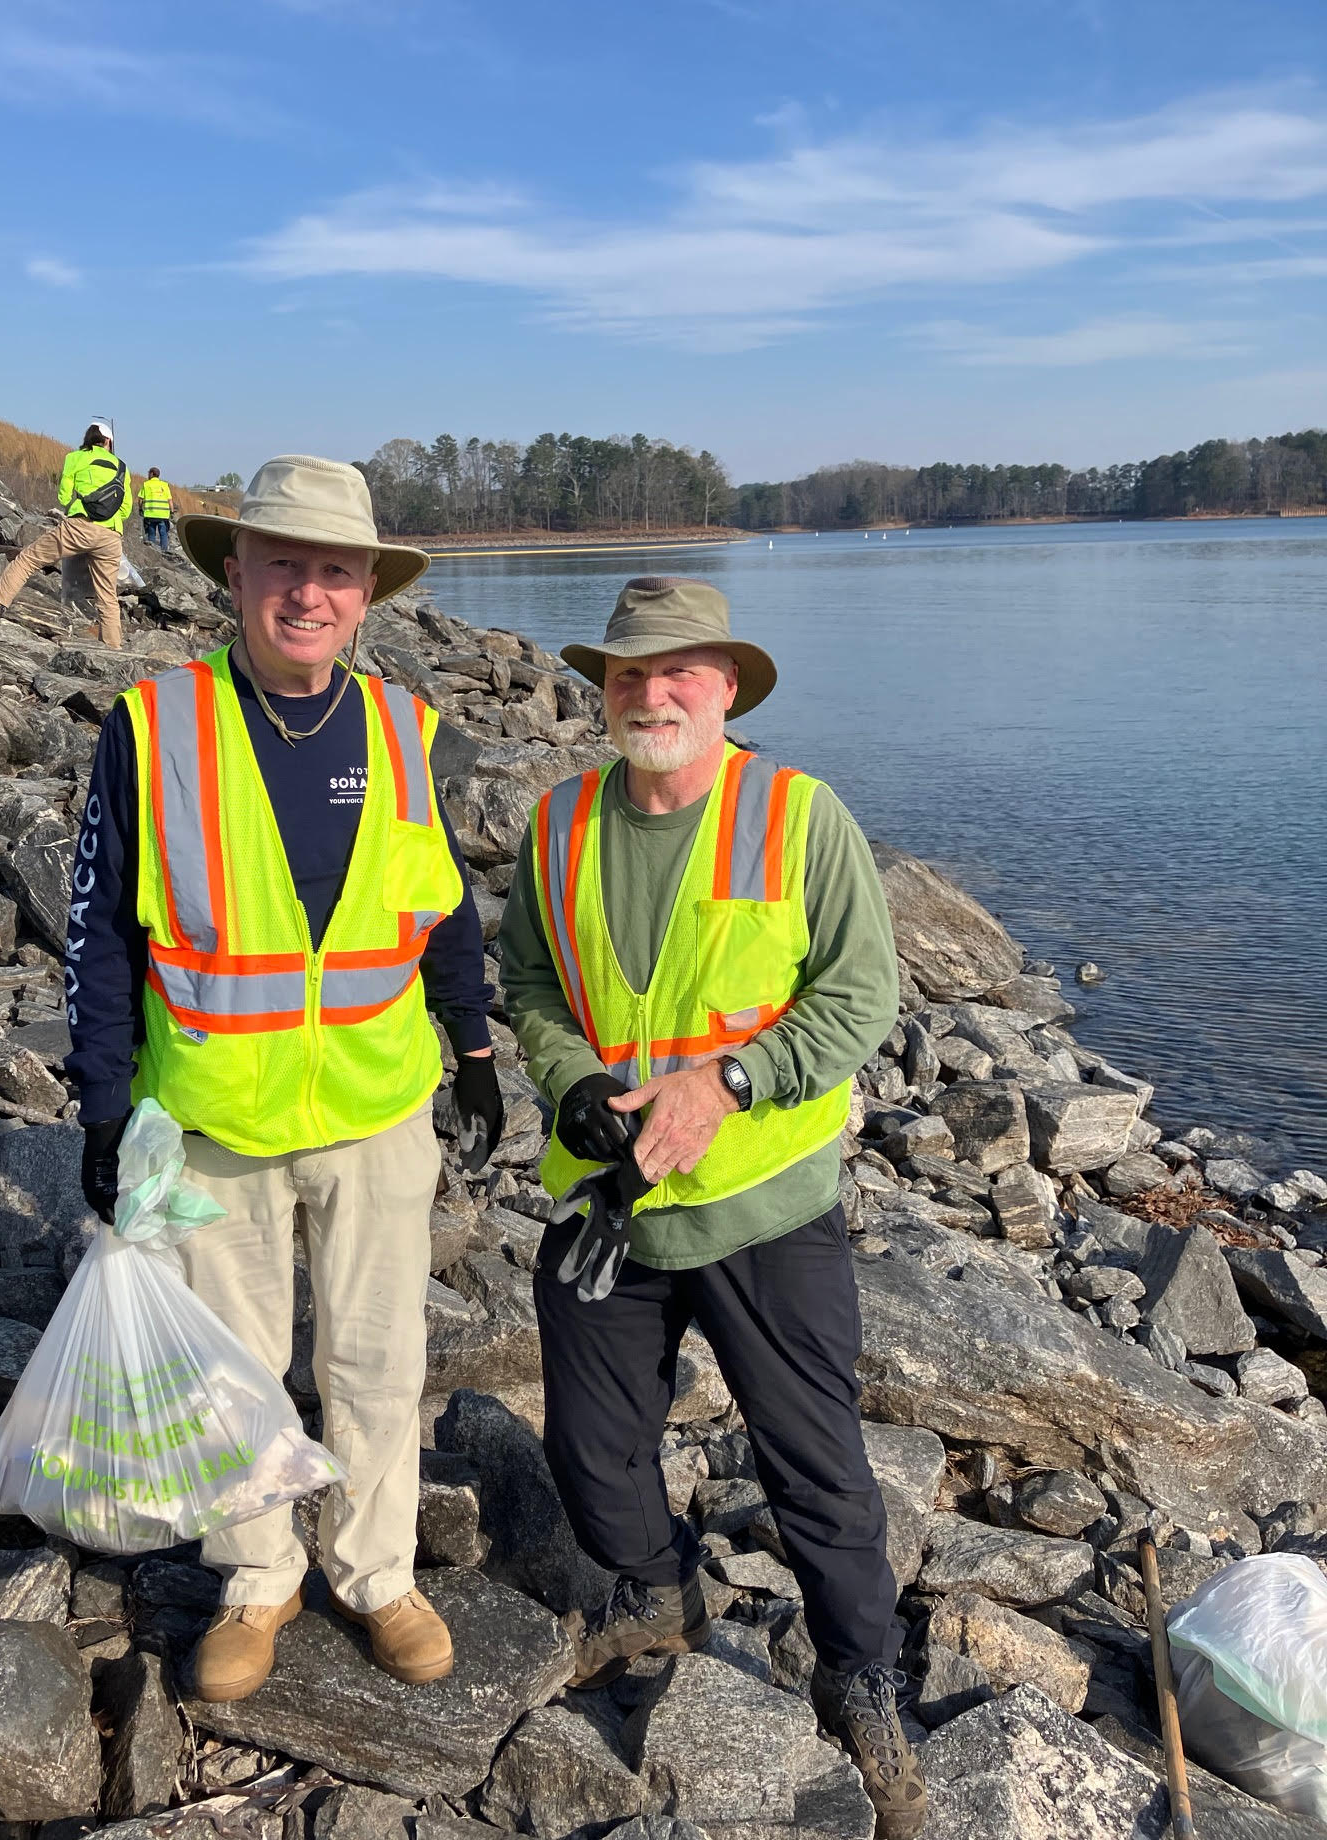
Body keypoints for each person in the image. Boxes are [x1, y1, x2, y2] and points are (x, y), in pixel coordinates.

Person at [64, 455, 504, 1702]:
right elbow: (101, 931)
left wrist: (473, 1054)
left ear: (366, 592)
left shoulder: (409, 729)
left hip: (375, 1109)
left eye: (335, 571)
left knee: (377, 1361)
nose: (308, 593)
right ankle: (258, 1579)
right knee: (235, 1372)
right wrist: (102, 1105)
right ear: (235, 574)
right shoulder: (153, 726)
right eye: (284, 566)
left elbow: (445, 914)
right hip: (214, 1118)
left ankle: (378, 1574)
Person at [499, 577, 927, 1840]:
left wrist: (735, 1080)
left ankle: (862, 1677)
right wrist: (570, 1082)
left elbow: (860, 999)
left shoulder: (799, 816)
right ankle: (657, 1593)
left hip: (763, 1205)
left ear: (727, 685)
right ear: (603, 690)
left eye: (680, 670)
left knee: (818, 1472)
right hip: (611, 1206)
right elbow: (529, 980)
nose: (653, 691)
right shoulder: (559, 821)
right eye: (629, 672)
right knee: (589, 1452)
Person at [0, 420, 133, 647]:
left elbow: (63, 497)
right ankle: (113, 647)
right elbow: (126, 509)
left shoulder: (75, 458)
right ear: (108, 441)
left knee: (28, 559)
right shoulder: (122, 467)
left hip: (80, 527)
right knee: (107, 594)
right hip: (111, 536)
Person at [140, 466, 172, 550]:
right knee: (163, 533)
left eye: (148, 473)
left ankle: (153, 552)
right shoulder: (165, 485)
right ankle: (164, 552)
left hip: (151, 514)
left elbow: (140, 499)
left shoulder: (146, 484)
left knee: (151, 533)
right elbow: (170, 500)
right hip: (163, 515)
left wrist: (140, 508)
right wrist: (171, 511)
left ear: (151, 474)